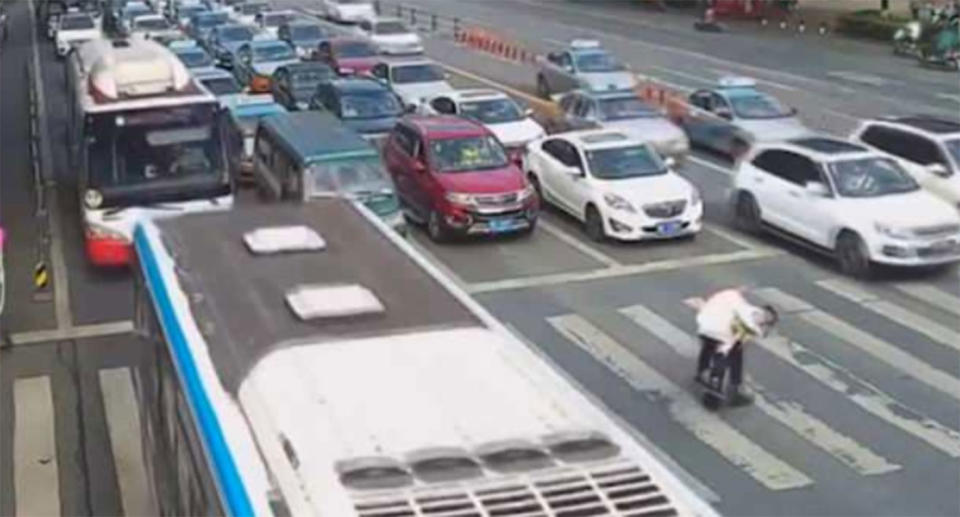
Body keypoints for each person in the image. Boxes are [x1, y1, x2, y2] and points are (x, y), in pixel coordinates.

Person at [695, 287, 778, 406]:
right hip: (721, 330)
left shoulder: (745, 308)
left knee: (709, 346)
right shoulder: (753, 321)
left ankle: (703, 372)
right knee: (734, 354)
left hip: (707, 326)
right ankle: (733, 389)